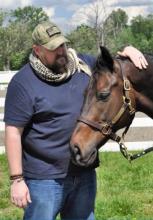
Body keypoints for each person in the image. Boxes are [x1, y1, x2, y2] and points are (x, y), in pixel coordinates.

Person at [4, 21, 148, 220]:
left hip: (83, 173)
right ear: (37, 50)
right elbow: (13, 132)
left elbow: (112, 65)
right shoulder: (23, 82)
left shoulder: (82, 65)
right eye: (54, 49)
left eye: (63, 45)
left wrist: (128, 49)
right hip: (44, 179)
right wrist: (17, 180)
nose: (62, 52)